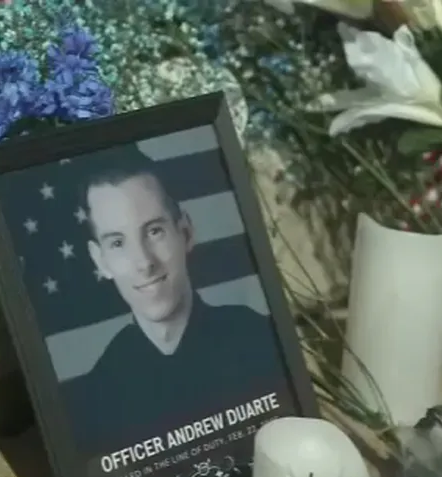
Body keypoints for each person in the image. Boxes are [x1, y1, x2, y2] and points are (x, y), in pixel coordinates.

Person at [60, 167, 287, 455]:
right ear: (100, 260)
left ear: (185, 233)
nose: (144, 262)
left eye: (154, 231)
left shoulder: (261, 341)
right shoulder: (97, 398)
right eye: (117, 243)